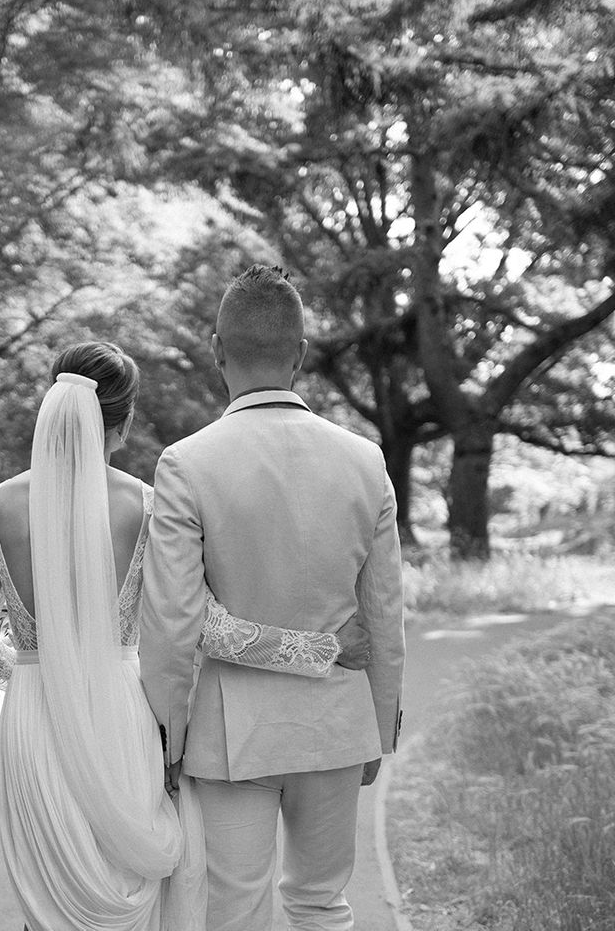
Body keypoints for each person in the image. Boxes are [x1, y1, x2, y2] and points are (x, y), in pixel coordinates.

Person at [0, 340, 372, 931]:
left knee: (49, 904)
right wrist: (323, 648)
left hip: (34, 722)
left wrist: (46, 686)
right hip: (121, 720)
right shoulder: (145, 505)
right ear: (122, 421)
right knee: (133, 890)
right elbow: (207, 628)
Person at [139, 266, 406, 931]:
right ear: (302, 353)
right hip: (339, 724)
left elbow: (174, 619)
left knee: (236, 910)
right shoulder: (365, 461)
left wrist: (166, 738)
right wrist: (378, 727)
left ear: (217, 349)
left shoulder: (185, 463)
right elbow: (384, 616)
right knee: (322, 903)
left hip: (232, 734)